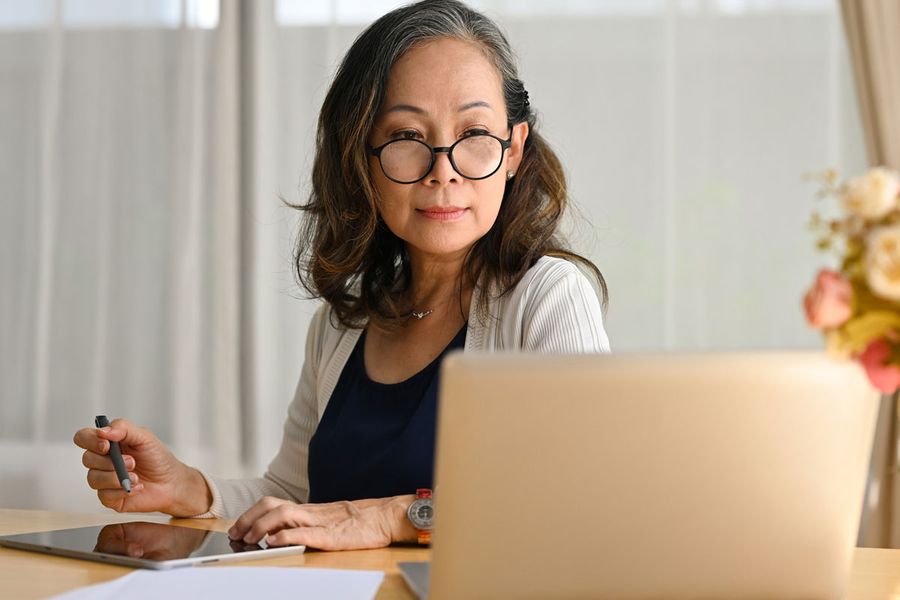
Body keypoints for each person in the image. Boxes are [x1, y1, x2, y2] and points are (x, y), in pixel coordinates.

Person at [72, 0, 610, 551]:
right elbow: (294, 496)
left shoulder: (547, 297)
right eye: (407, 138)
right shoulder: (342, 322)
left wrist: (389, 517)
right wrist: (188, 488)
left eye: (474, 132)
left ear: (514, 149)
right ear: (363, 157)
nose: (443, 171)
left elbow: (575, 495)